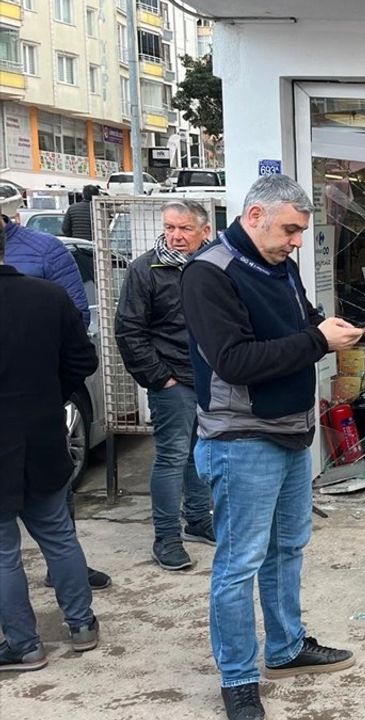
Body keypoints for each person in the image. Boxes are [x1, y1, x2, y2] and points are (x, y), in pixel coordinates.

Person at [183, 174, 364, 720]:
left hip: (289, 431)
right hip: (241, 438)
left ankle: (286, 648)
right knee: (239, 563)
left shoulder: (279, 265)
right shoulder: (209, 273)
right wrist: (317, 341)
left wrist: (323, 327)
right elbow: (234, 361)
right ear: (256, 216)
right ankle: (238, 679)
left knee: (287, 548)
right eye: (290, 229)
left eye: (301, 231)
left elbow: (300, 322)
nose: (297, 241)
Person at [0, 223, 102, 672]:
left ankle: (24, 645)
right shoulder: (48, 296)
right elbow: (82, 360)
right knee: (59, 536)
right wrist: (48, 396)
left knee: (3, 553)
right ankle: (81, 626)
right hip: (43, 434)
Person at [116, 200, 215, 571]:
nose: (175, 236)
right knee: (172, 457)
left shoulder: (215, 265)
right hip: (172, 381)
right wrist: (160, 378)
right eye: (170, 227)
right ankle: (167, 538)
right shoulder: (145, 269)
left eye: (185, 228)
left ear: (205, 231)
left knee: (200, 454)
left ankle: (199, 520)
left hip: (210, 379)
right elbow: (129, 330)